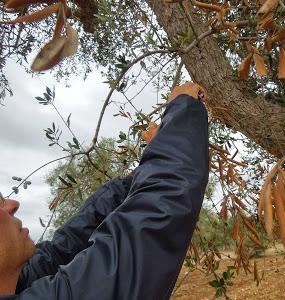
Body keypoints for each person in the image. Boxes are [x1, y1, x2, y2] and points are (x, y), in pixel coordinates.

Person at [0, 82, 209, 299]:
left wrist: (135, 177)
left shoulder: (23, 282)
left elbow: (68, 245)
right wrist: (182, 112)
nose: (12, 204)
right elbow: (146, 236)